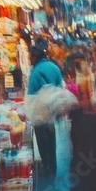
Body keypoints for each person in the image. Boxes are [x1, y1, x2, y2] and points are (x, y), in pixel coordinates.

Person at [27, 45, 64, 176]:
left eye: (30, 56)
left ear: (35, 57)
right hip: (52, 109)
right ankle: (53, 166)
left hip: (39, 111)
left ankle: (46, 166)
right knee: (51, 136)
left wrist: (28, 111)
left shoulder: (35, 71)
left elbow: (31, 94)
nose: (29, 58)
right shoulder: (54, 67)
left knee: (42, 139)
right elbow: (60, 88)